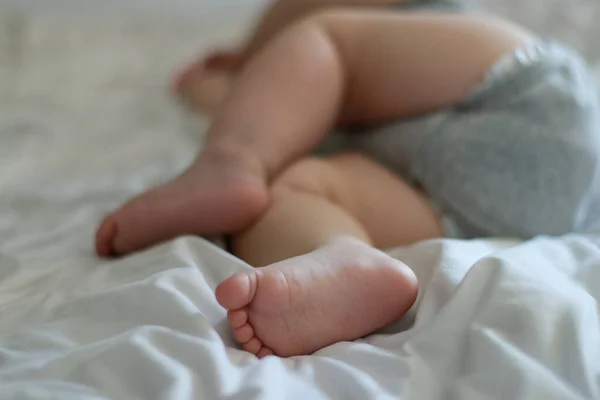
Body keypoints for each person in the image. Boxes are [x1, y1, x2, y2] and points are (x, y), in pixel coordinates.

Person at [95, 0, 600, 358]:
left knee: (327, 39)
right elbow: (268, 103)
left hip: (521, 92)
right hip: (516, 204)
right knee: (297, 188)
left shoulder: (420, 19)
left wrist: (252, 55)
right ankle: (343, 257)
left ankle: (230, 160)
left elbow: (312, 36)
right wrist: (237, 82)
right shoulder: (300, 106)